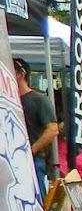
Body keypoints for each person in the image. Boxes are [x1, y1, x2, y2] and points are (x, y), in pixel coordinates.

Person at [15, 58, 58, 195]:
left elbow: (52, 129)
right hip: (10, 159)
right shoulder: (8, 99)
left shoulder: (39, 100)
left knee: (35, 199)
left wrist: (31, 150)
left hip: (32, 160)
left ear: (21, 75)